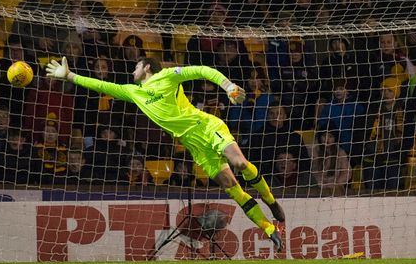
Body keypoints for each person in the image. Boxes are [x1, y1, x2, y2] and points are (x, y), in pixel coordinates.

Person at [45, 56, 286, 251]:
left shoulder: (167, 76)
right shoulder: (133, 92)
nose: (132, 71)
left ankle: (271, 201)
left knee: (240, 164)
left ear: (147, 67)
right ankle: (268, 228)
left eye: (136, 66)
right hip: (193, 145)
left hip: (207, 127)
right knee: (230, 184)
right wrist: (69, 76)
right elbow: (101, 85)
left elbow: (202, 69)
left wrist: (228, 86)